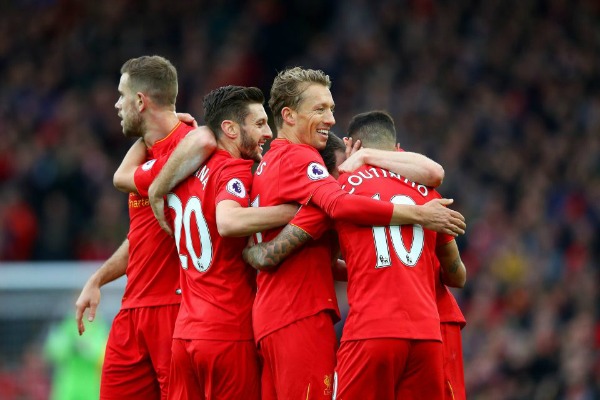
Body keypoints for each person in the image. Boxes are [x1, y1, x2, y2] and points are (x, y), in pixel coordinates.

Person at [247, 67, 466, 400]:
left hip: (290, 317)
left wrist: (254, 250)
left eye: (331, 109)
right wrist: (418, 216)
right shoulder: (307, 162)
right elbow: (456, 274)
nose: (331, 118)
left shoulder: (272, 165)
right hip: (416, 327)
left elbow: (283, 247)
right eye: (320, 109)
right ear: (289, 116)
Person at [135, 85, 296, 400]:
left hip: (184, 336)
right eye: (260, 124)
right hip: (227, 332)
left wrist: (154, 190)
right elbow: (229, 221)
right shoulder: (234, 170)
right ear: (231, 129)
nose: (269, 133)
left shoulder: (177, 172)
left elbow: (122, 177)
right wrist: (295, 212)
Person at [74, 55, 216, 400]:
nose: (116, 104)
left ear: (140, 101)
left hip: (175, 310)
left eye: (122, 95)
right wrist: (98, 279)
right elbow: (140, 237)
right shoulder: (145, 153)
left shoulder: (192, 150)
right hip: (132, 311)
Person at [329, 110, 467, 399]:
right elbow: (457, 275)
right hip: (428, 335)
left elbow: (321, 259)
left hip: (371, 329)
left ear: (352, 144)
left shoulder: (341, 187)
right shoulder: (429, 194)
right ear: (397, 148)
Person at [44, 311, 108, 400]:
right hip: (68, 387)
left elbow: (106, 355)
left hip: (92, 388)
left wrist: (86, 348)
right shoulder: (67, 327)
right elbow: (52, 351)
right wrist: (71, 346)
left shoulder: (101, 328)